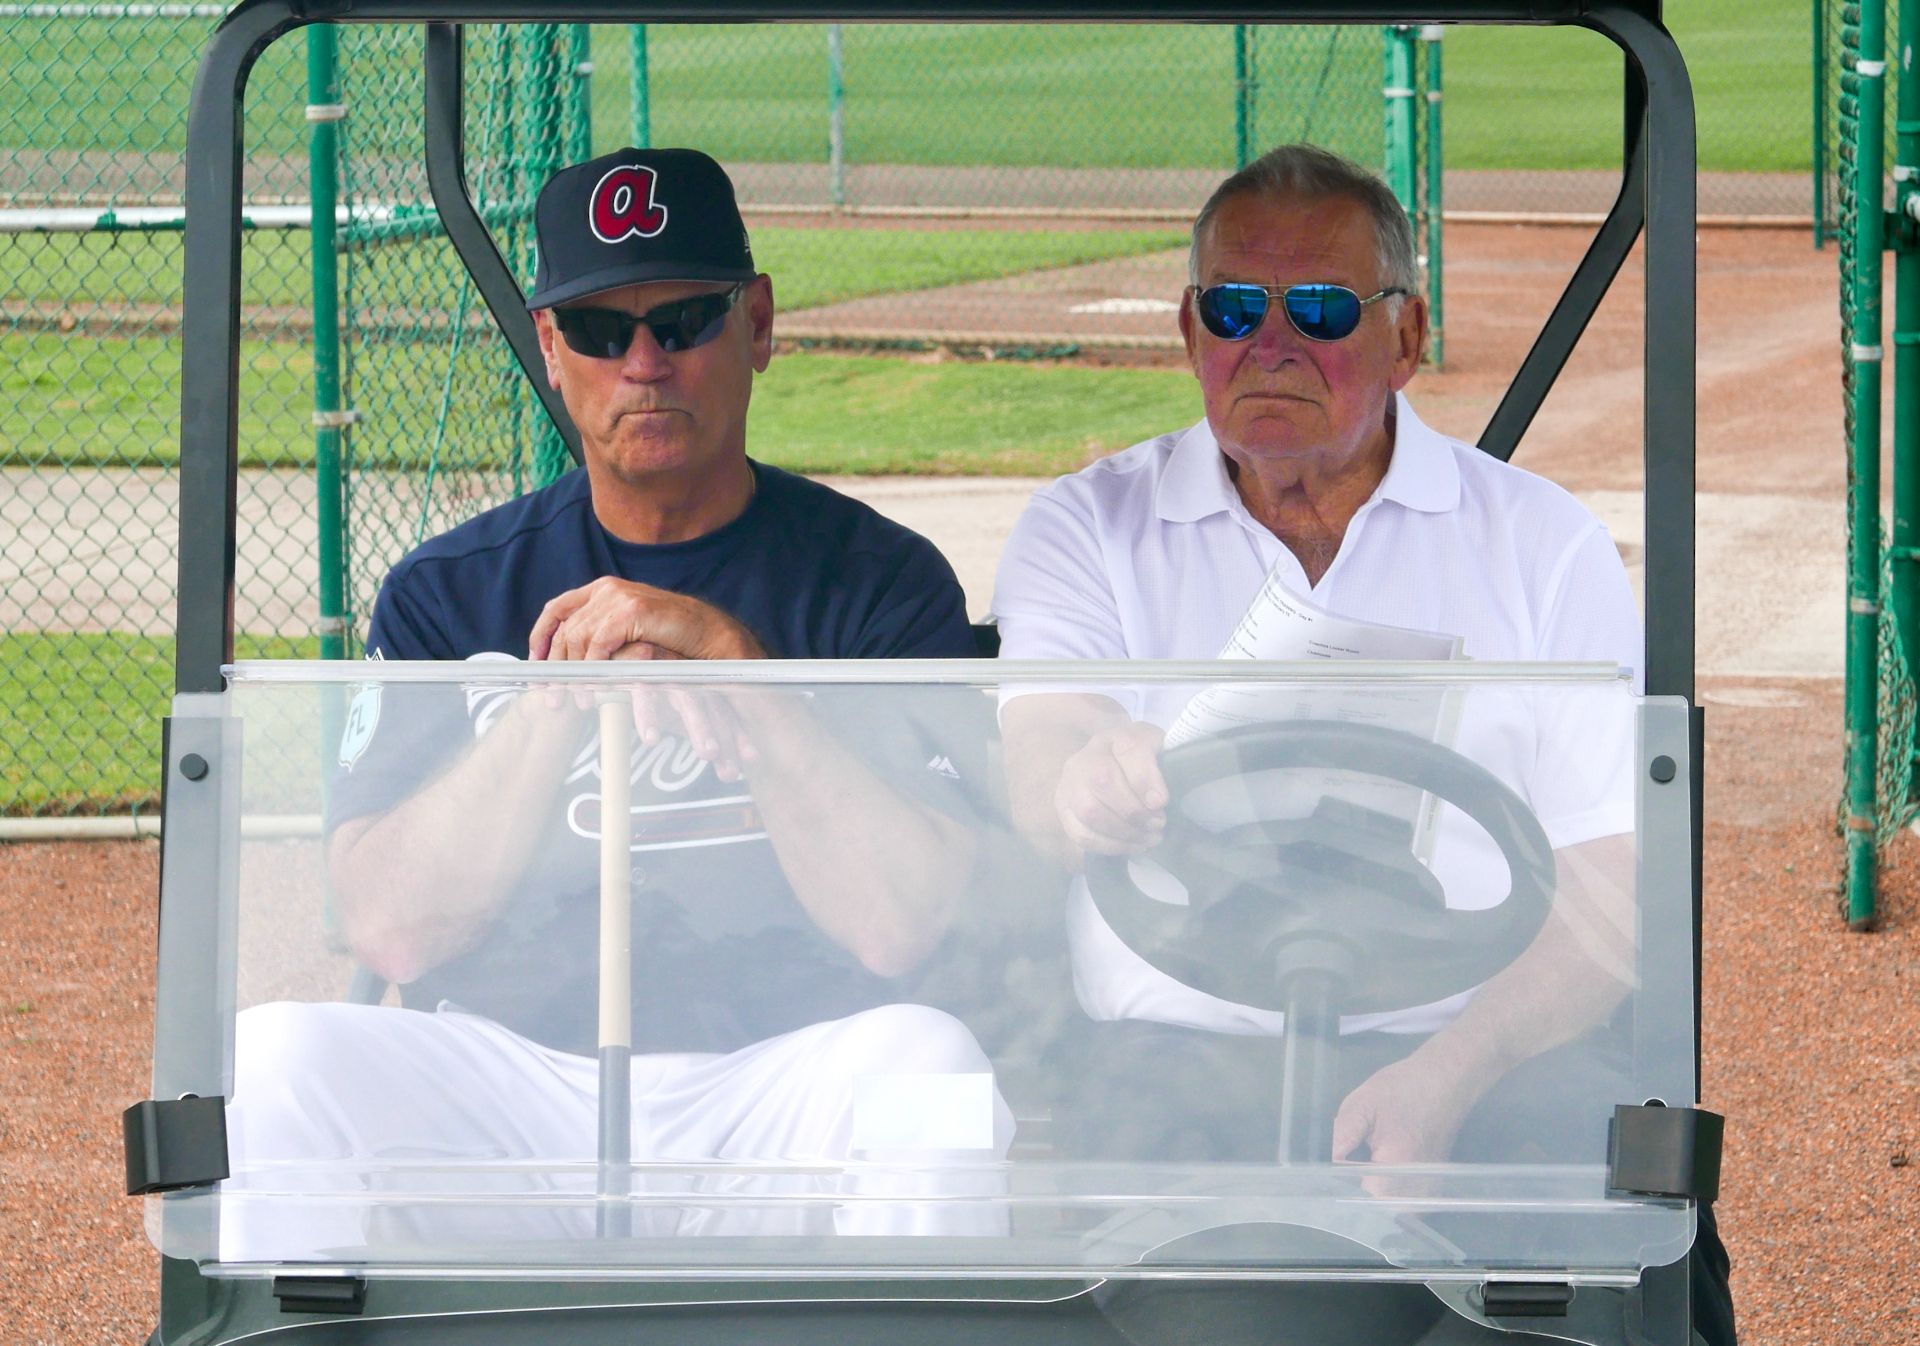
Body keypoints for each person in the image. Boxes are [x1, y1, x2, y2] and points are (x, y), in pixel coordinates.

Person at [991, 143, 1734, 1342]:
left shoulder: (1540, 545)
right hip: (1175, 1062)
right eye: (1236, 307)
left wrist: (1455, 1069)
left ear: (1407, 335)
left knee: (1629, 1284)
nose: (1269, 343)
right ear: (1190, 327)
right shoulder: (1092, 527)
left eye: (1322, 310)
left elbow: (1613, 883)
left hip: (1486, 1049)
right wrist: (1085, 780)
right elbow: (1043, 749)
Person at [224, 147, 1011, 1259]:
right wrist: (559, 696)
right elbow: (390, 925)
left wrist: (753, 686)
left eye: (684, 318)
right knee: (276, 1062)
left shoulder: (877, 582)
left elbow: (903, 922)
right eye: (600, 331)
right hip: (509, 1087)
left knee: (931, 1074)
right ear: (553, 350)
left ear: (759, 324)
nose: (645, 361)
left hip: (785, 1078)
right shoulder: (453, 592)